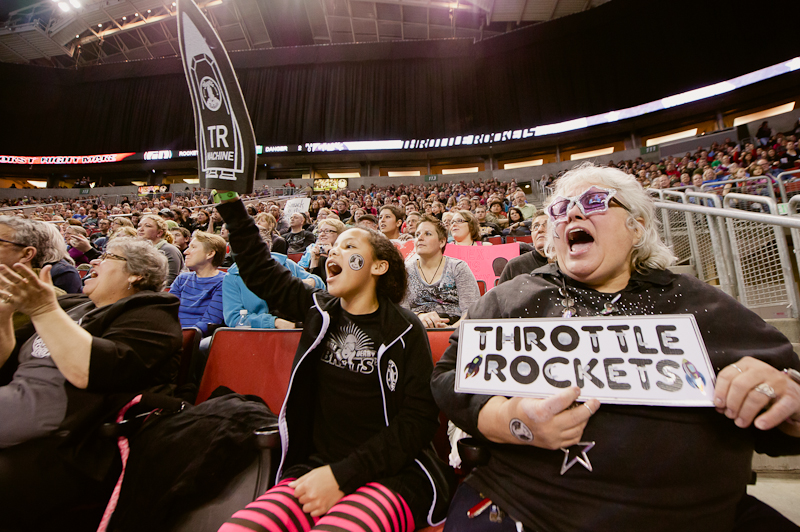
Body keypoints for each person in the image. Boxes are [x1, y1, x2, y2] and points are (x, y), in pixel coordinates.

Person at [431, 164, 800, 532]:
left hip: (698, 516)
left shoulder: (703, 306)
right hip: (524, 507)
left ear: (636, 226)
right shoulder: (511, 300)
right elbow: (448, 380)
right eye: (560, 209)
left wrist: (786, 400)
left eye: (593, 201)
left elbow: (786, 409)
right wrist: (513, 421)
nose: (572, 213)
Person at [215, 192, 449, 532]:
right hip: (317, 467)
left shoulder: (404, 329)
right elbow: (259, 270)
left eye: (350, 247)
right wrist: (230, 203)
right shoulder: (317, 309)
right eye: (335, 246)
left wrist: (342, 477)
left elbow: (417, 423)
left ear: (379, 266)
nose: (335, 251)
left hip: (393, 475)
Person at [0, 238, 181, 529]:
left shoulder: (151, 313)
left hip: (72, 438)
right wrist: (3, 315)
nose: (93, 261)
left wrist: (44, 311)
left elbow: (93, 371)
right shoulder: (72, 304)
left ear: (137, 275)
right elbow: (6, 363)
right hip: (15, 402)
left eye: (108, 256)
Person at [402, 215, 479, 329]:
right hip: (416, 329)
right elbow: (401, 311)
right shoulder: (405, 271)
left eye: (428, 234)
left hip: (455, 330)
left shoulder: (458, 268)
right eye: (417, 234)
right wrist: (418, 317)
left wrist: (449, 331)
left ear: (442, 242)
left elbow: (471, 311)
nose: (420, 238)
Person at [169, 231, 226, 337]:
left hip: (196, 339)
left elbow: (209, 323)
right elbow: (167, 312)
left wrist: (181, 337)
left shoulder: (223, 282)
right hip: (172, 335)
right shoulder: (182, 279)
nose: (186, 252)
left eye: (193, 247)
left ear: (210, 254)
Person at [498, 212, 549, 283]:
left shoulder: (567, 265)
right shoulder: (514, 266)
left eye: (547, 225)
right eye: (535, 226)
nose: (540, 229)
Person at [138, 214, 185, 286]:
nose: (141, 229)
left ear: (159, 233)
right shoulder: (139, 250)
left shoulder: (169, 250)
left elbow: (169, 281)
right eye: (139, 226)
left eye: (147, 226)